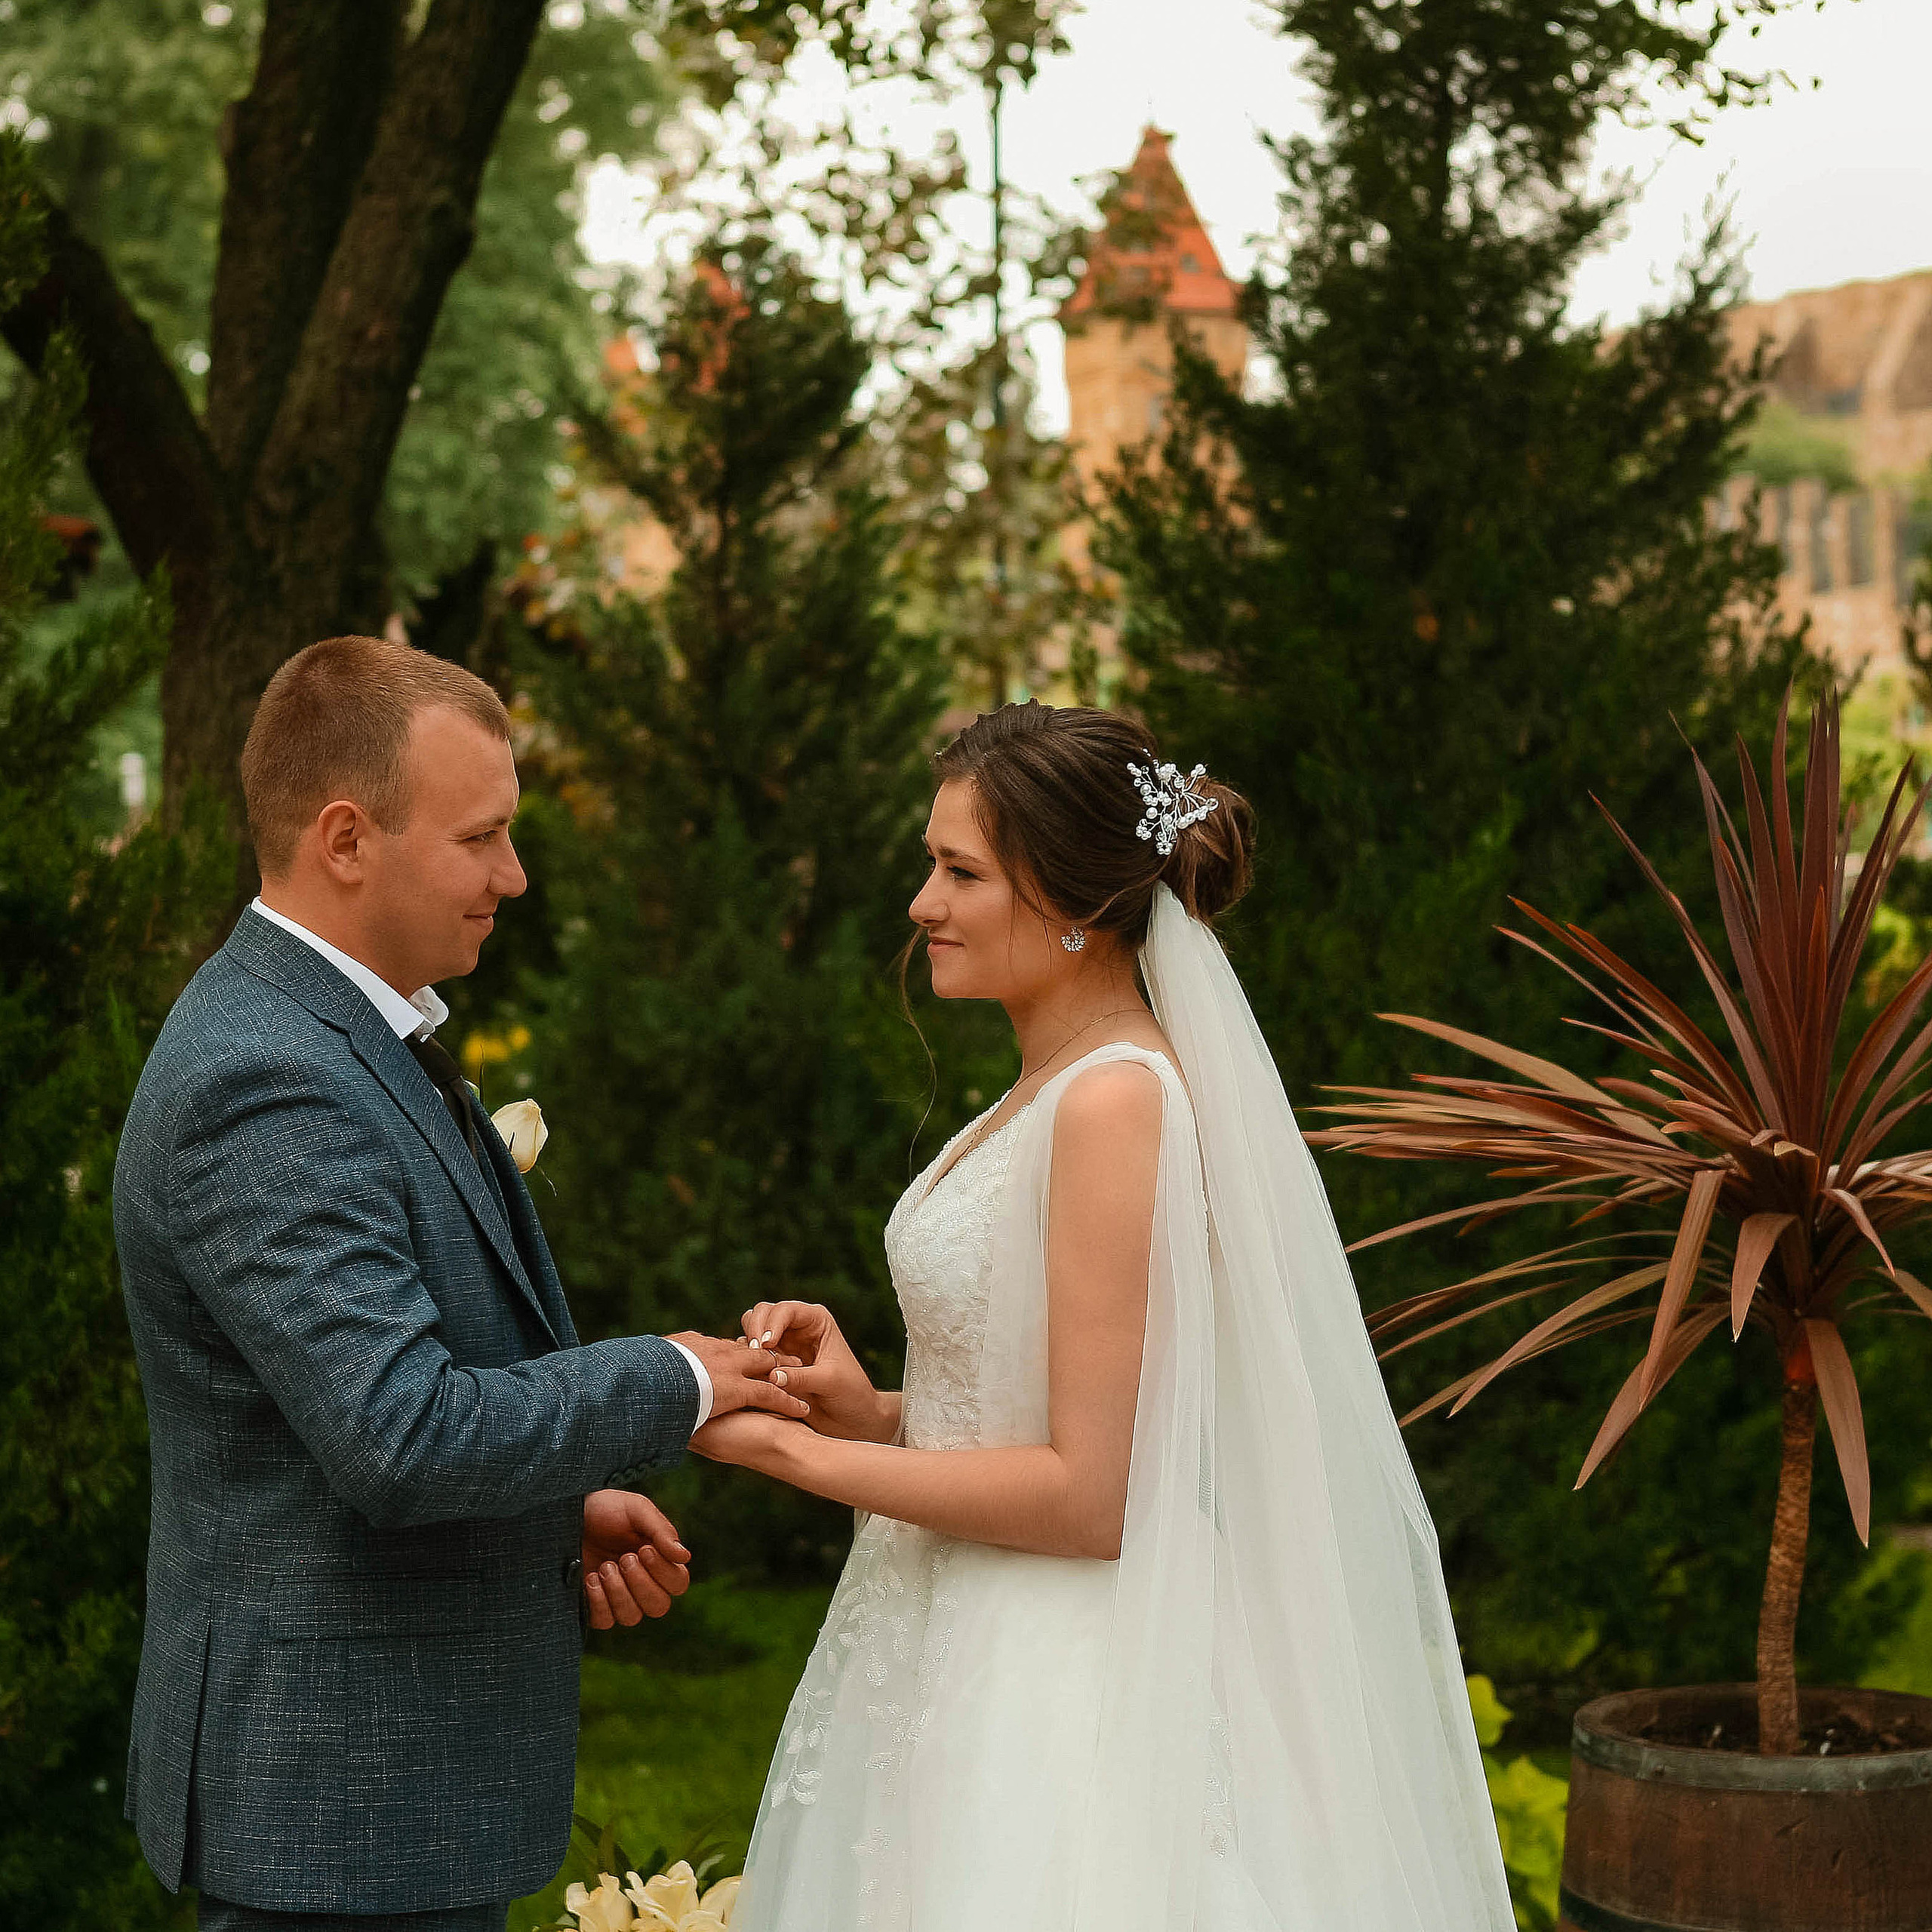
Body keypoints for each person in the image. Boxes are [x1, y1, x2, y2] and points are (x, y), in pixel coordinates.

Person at [691, 702, 1515, 1932]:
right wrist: (872, 1407)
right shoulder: (1047, 1089)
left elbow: (1095, 1497)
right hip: (941, 1631)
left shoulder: (1111, 1103)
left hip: (1051, 1674)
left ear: (1076, 902)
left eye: (961, 872)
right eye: (933, 864)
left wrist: (815, 1456)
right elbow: (1082, 1407)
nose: (921, 904)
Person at [113, 635, 808, 1932]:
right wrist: (680, 1376)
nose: (517, 875)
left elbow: (353, 1413)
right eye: (482, 837)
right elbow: (402, 1437)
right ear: (345, 838)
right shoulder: (263, 1079)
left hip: (389, 1806)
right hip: (332, 1817)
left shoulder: (342, 1031)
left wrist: (556, 1505)